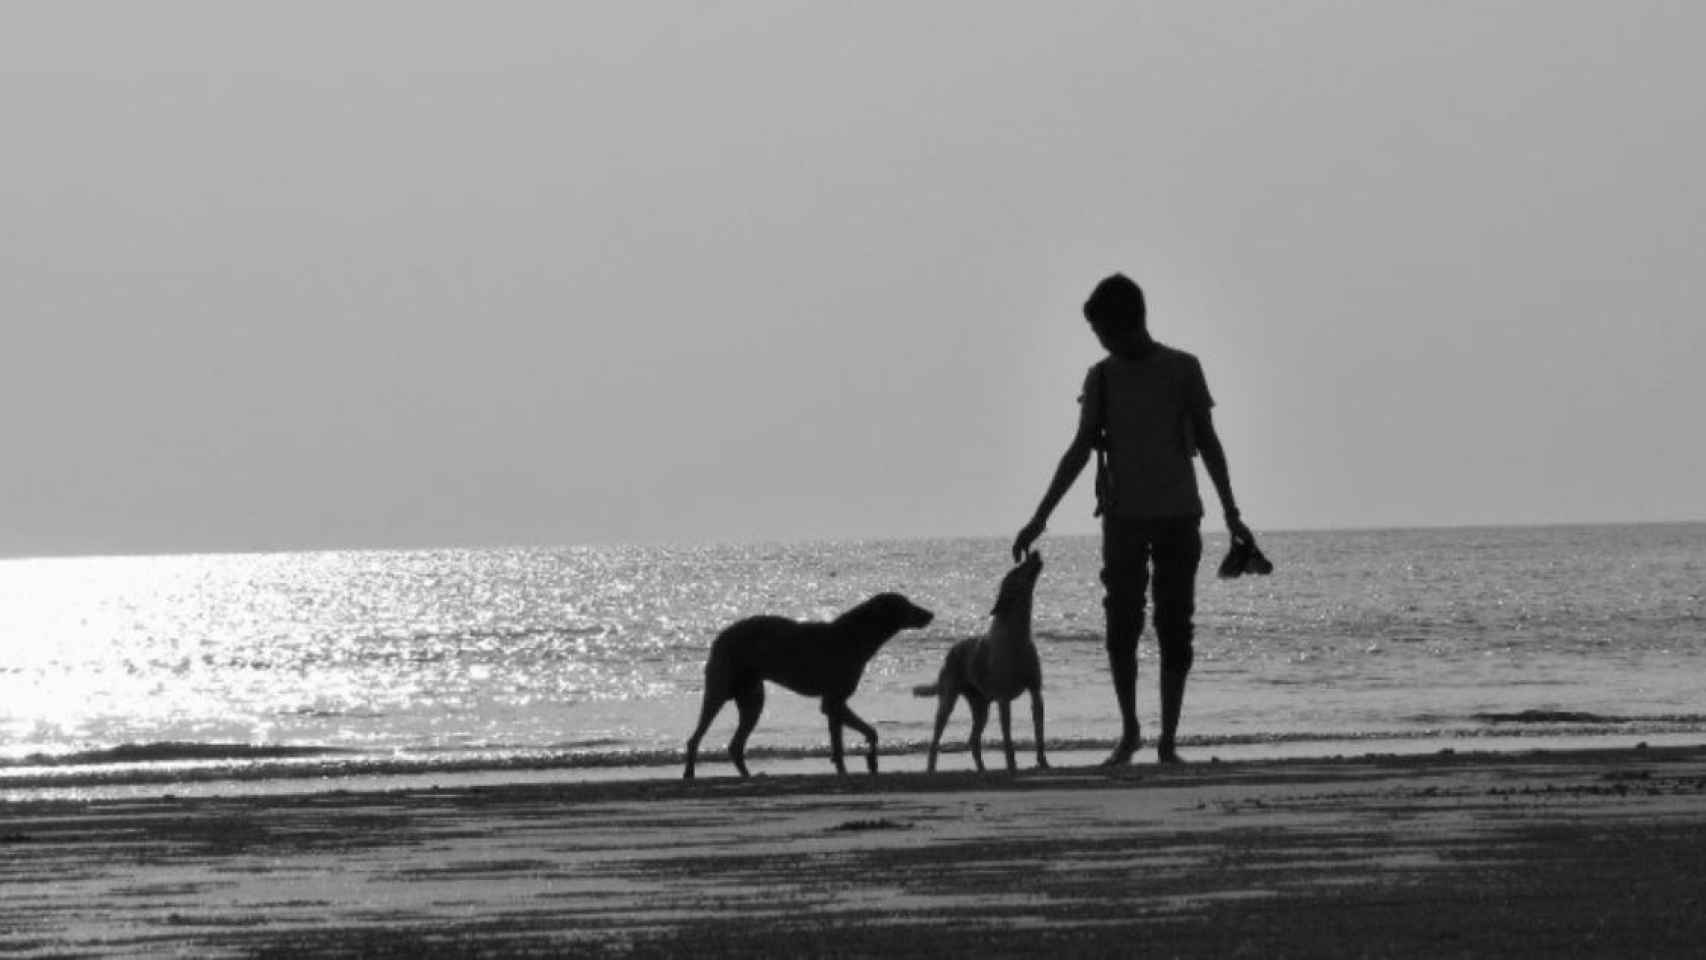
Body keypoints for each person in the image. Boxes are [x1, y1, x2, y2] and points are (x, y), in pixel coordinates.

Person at [1012, 273, 1252, 765]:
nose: (1099, 341)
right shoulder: (1100, 378)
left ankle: (1168, 742)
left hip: (1179, 517)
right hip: (1122, 520)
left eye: (1102, 331)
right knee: (1121, 626)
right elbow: (1080, 449)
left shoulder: (1183, 369)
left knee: (1174, 626)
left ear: (1126, 324)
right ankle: (1130, 733)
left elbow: (1208, 442)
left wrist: (1232, 513)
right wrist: (1040, 517)